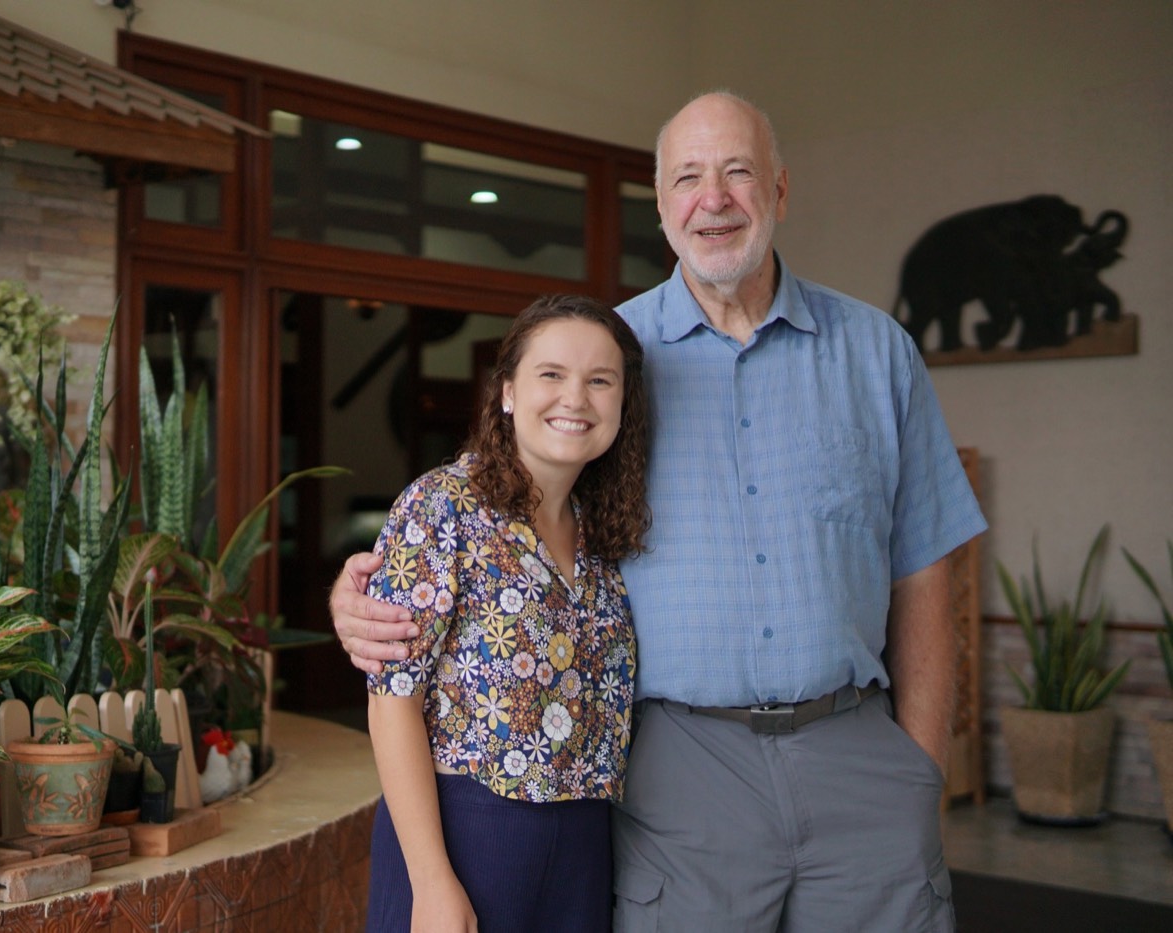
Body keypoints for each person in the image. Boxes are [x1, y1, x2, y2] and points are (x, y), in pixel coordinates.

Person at [335, 91, 986, 933]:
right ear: (662, 204)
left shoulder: (877, 353)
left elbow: (923, 570)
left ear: (780, 191)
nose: (713, 198)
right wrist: (360, 599)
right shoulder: (611, 356)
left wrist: (919, 774)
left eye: (737, 172)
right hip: (680, 775)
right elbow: (471, 556)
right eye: (688, 177)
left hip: (853, 752)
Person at [363, 294, 651, 932]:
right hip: (467, 828)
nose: (575, 398)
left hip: (582, 842)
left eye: (600, 380)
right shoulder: (442, 507)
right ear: (508, 392)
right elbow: (391, 700)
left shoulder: (603, 537)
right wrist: (431, 880)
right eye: (551, 374)